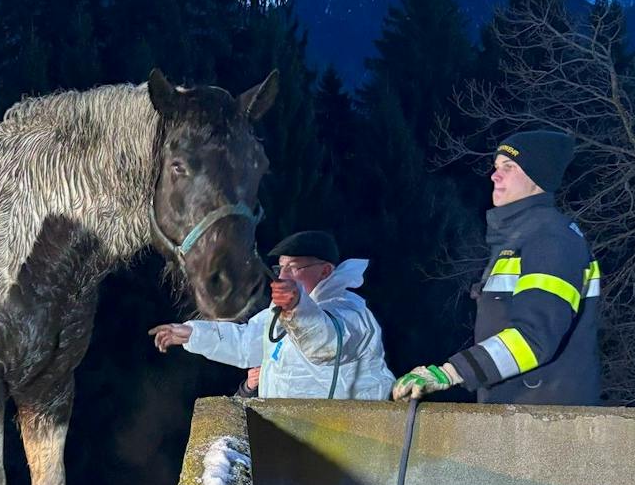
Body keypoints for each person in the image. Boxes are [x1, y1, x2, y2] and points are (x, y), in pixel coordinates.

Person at [392, 130, 600, 405]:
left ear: (537, 177)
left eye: (509, 167)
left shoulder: (551, 238)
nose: (494, 175)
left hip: (544, 420)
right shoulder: (522, 239)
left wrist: (450, 373)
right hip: (517, 415)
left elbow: (534, 338)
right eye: (495, 167)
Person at [150, 231, 394, 399]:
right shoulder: (282, 313)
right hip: (291, 437)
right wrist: (192, 333)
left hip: (348, 441)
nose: (283, 275)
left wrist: (297, 307)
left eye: (294, 268)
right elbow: (246, 343)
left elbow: (327, 344)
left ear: (325, 271)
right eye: (280, 268)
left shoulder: (350, 311)